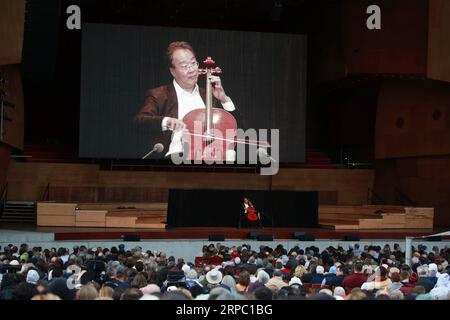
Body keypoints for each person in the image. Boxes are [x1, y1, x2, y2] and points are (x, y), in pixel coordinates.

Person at [134, 41, 238, 159]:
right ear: (172, 71)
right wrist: (167, 121)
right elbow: (139, 121)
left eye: (193, 63)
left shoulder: (209, 95)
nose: (192, 69)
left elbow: (237, 131)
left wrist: (224, 99)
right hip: (174, 162)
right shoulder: (159, 95)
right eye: (184, 66)